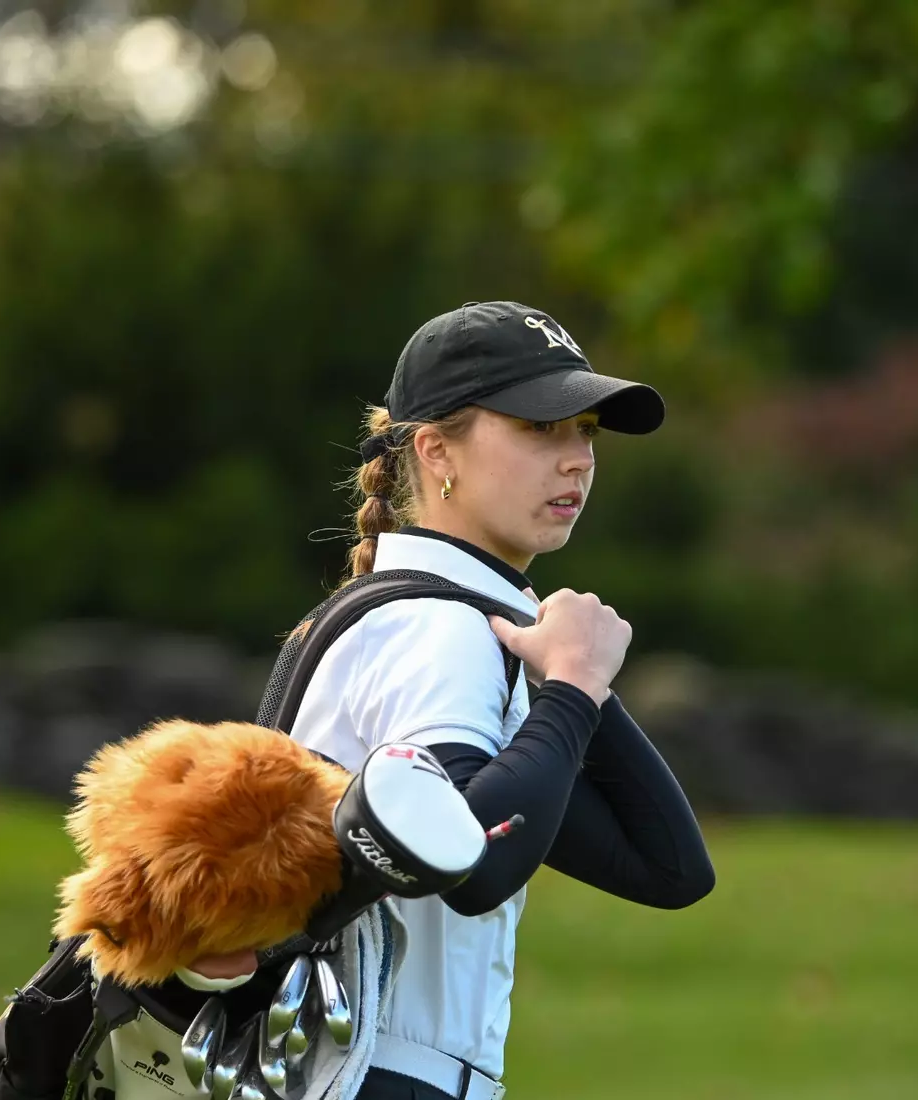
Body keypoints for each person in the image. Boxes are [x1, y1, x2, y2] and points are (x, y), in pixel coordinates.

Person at [194, 300, 715, 1100]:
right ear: (437, 450)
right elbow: (474, 860)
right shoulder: (438, 630)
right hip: (375, 1077)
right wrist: (574, 685)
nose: (577, 459)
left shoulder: (436, 618)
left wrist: (580, 689)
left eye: (585, 431)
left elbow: (670, 870)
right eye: (541, 429)